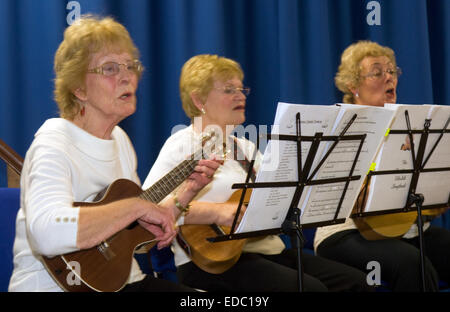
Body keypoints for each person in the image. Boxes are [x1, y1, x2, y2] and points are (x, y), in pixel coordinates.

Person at [8, 16, 221, 292]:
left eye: (130, 66)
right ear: (78, 88)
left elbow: (128, 232)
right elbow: (47, 234)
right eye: (109, 68)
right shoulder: (52, 143)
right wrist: (136, 206)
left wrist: (186, 193)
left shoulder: (119, 139)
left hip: (121, 281)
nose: (127, 76)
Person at [143, 54, 375, 292]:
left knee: (355, 282)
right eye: (229, 90)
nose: (240, 96)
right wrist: (217, 212)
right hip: (212, 263)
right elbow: (150, 209)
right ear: (198, 98)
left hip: (266, 250)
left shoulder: (245, 147)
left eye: (242, 89)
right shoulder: (182, 144)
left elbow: (278, 195)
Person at [314, 40, 450, 291]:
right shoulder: (340, 128)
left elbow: (432, 203)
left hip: (403, 228)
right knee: (413, 265)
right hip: (347, 233)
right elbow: (354, 203)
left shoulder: (410, 123)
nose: (389, 78)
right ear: (353, 85)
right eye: (377, 72)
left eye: (392, 71)